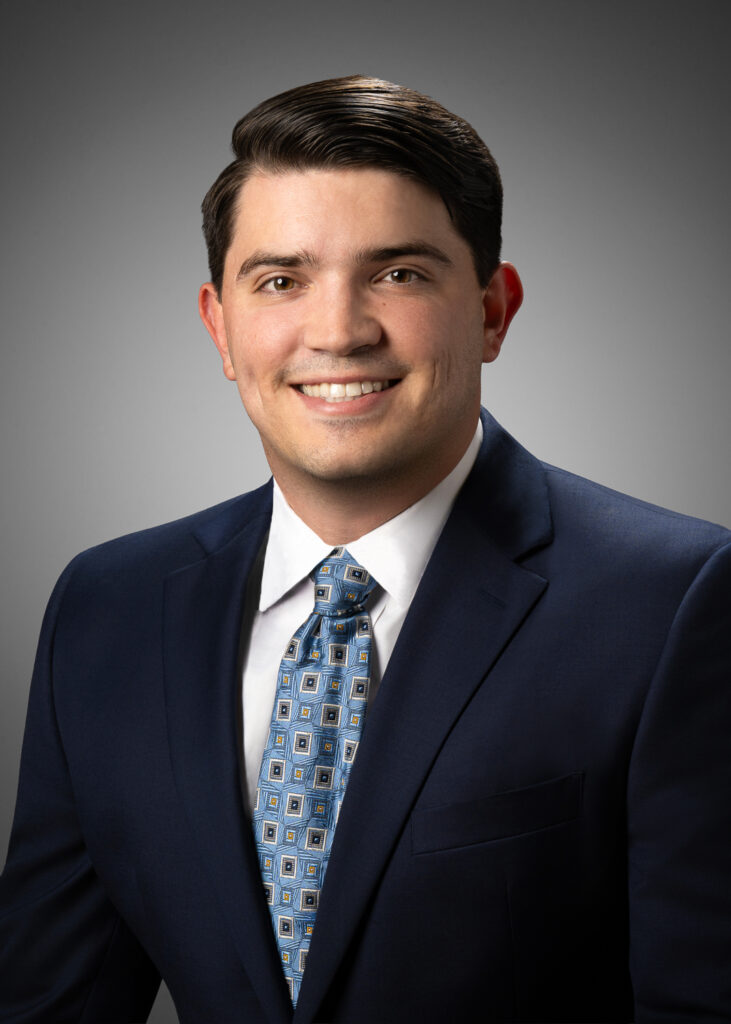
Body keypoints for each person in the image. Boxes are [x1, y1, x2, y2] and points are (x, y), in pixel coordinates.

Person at [0, 75, 729, 1024]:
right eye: (280, 281)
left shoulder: (674, 602)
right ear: (221, 328)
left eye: (399, 273)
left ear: (492, 310)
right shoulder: (108, 609)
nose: (338, 331)